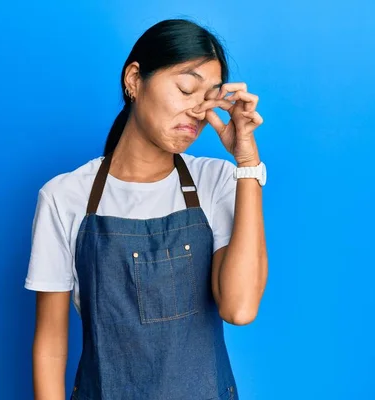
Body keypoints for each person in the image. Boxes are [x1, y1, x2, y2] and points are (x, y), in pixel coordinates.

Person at [24, 18, 268, 400]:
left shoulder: (217, 182)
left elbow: (239, 308)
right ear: (134, 80)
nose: (197, 111)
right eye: (186, 89)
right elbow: (51, 343)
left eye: (209, 99)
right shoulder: (65, 196)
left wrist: (248, 164)